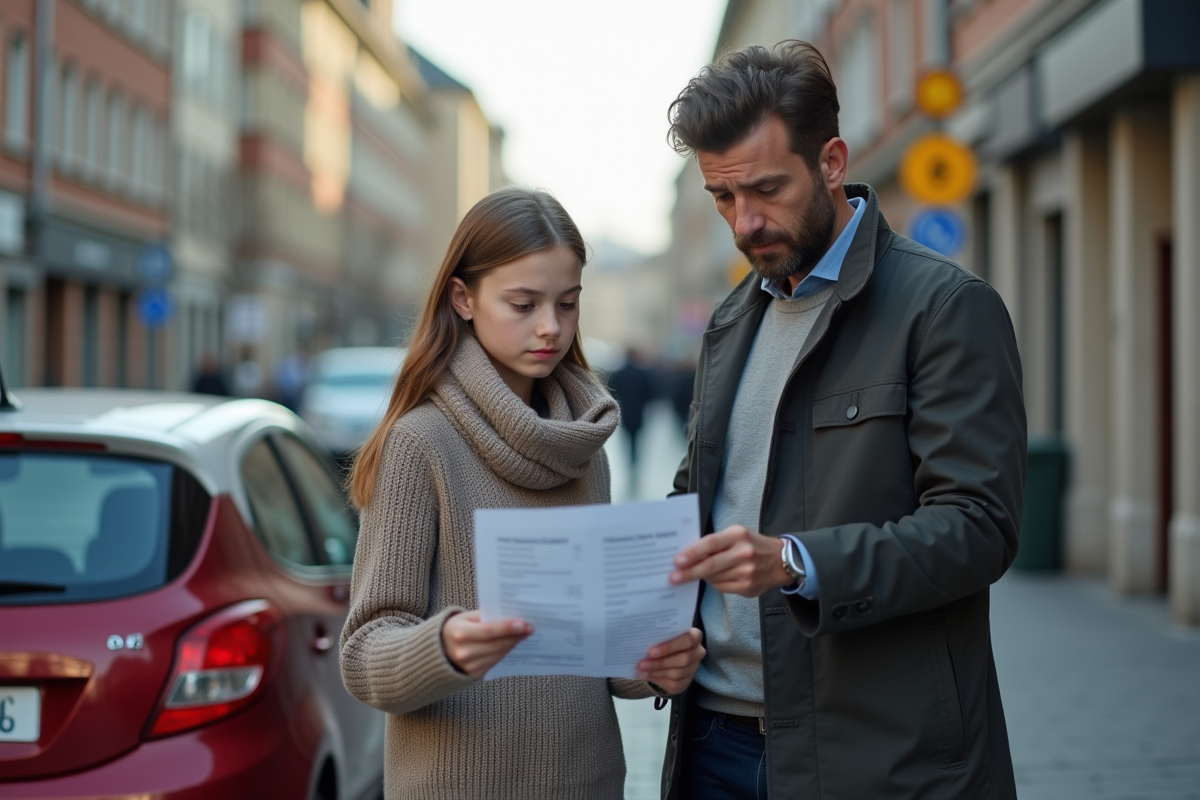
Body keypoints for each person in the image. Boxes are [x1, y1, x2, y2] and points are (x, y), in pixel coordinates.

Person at [659, 42, 1026, 799]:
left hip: (877, 754)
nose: (744, 222)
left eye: (766, 189)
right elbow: (698, 503)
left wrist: (796, 562)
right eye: (722, 197)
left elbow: (978, 526)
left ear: (830, 161)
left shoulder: (945, 308)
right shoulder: (730, 322)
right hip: (710, 741)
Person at [339, 188, 706, 800]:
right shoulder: (421, 442)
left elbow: (592, 652)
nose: (550, 327)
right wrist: (445, 646)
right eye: (523, 304)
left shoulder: (583, 445)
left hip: (590, 783)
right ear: (463, 298)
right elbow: (363, 657)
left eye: (568, 303)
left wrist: (656, 665)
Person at [606, 347, 656, 474]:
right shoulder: (642, 373)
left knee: (626, 436)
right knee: (636, 437)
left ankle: (628, 458)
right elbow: (650, 392)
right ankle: (634, 459)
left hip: (624, 410)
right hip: (638, 410)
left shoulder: (619, 373)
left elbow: (611, 390)